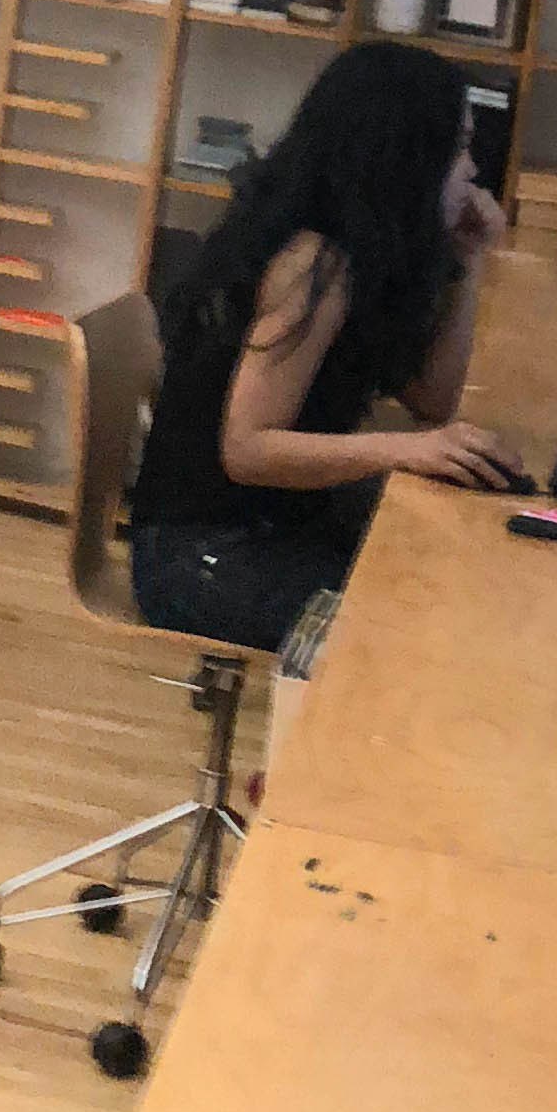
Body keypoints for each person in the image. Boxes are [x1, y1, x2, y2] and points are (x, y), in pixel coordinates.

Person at [129, 38, 519, 655]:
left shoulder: (364, 250)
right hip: (205, 554)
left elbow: (434, 401)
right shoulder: (313, 262)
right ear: (407, 157)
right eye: (459, 147)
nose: (472, 169)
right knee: (427, 632)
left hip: (277, 524)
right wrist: (404, 450)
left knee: (460, 563)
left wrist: (468, 261)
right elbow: (247, 451)